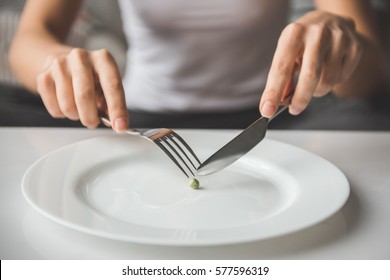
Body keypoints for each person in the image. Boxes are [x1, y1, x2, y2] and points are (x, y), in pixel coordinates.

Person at [9, 0, 385, 131]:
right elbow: (29, 38)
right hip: (138, 121)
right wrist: (55, 63)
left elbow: (369, 80)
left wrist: (340, 43)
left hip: (271, 121)